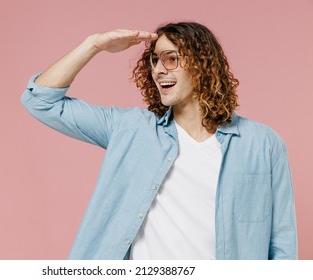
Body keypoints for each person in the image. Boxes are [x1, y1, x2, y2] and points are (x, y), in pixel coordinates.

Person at [21, 22, 297, 260]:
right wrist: (94, 44)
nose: (158, 70)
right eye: (155, 60)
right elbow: (40, 101)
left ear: (202, 65)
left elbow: (282, 244)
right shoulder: (130, 129)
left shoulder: (263, 144)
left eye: (171, 58)